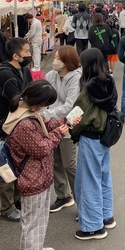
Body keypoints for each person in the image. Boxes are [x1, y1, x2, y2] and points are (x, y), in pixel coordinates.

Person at [3, 80, 68, 250]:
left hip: (37, 176)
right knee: (32, 223)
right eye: (45, 104)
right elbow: (42, 148)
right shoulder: (24, 124)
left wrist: (65, 122)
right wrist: (60, 133)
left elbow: (45, 126)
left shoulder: (25, 112)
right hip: (33, 178)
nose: (45, 109)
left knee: (38, 221)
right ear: (38, 102)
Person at [70, 48, 118, 240]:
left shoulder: (88, 88)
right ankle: (106, 215)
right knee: (104, 176)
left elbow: (77, 116)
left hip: (90, 137)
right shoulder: (109, 81)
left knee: (89, 180)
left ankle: (92, 226)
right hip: (105, 135)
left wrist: (71, 131)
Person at [0, 37, 34, 222]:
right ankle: (7, 207)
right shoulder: (5, 74)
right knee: (7, 164)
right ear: (15, 55)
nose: (29, 54)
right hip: (8, 125)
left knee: (21, 163)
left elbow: (31, 91)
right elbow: (18, 100)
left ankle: (17, 200)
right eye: (26, 52)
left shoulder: (24, 70)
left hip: (23, 123)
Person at [44, 47, 83, 214]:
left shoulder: (76, 78)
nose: (55, 60)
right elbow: (43, 93)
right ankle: (63, 196)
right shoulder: (52, 75)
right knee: (56, 162)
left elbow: (70, 104)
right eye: (55, 56)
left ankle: (82, 201)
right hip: (51, 126)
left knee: (69, 164)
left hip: (67, 125)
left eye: (59, 57)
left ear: (68, 61)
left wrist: (47, 114)